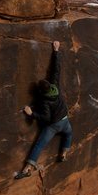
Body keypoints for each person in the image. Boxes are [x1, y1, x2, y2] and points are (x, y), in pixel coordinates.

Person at [15, 40, 72, 179]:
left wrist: (31, 113)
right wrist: (56, 51)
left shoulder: (45, 102)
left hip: (53, 125)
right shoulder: (55, 87)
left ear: (42, 92)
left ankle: (27, 168)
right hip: (65, 122)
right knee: (69, 135)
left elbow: (46, 118)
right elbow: (56, 70)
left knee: (39, 145)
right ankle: (64, 153)